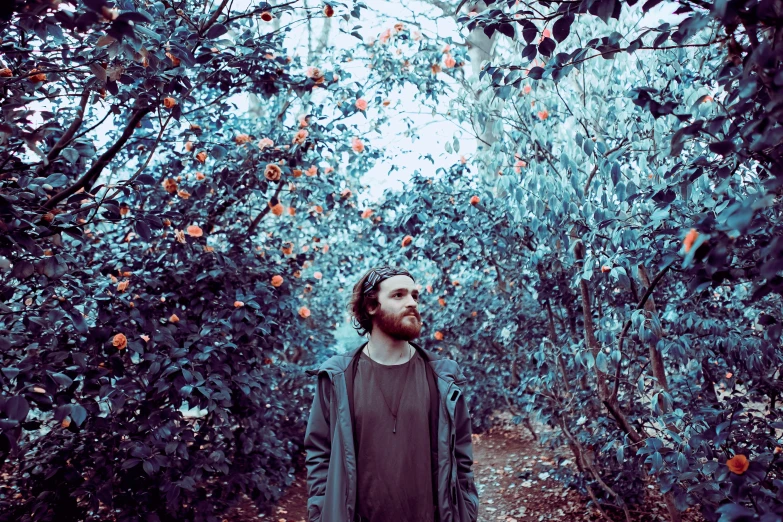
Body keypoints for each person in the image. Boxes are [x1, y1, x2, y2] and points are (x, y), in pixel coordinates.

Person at [303, 265, 479, 522]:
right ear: (371, 306)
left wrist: (467, 508)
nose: (412, 303)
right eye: (398, 295)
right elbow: (319, 452)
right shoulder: (338, 377)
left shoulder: (443, 378)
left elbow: (462, 457)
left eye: (415, 296)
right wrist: (320, 512)